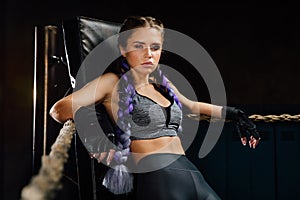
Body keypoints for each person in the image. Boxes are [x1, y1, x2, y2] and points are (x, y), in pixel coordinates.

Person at [49, 15, 260, 200]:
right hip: (158, 177)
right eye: (139, 46)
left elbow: (190, 106)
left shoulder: (161, 84)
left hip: (193, 174)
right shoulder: (112, 82)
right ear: (123, 49)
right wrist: (97, 140)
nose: (148, 54)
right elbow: (59, 109)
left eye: (155, 47)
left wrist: (235, 114)